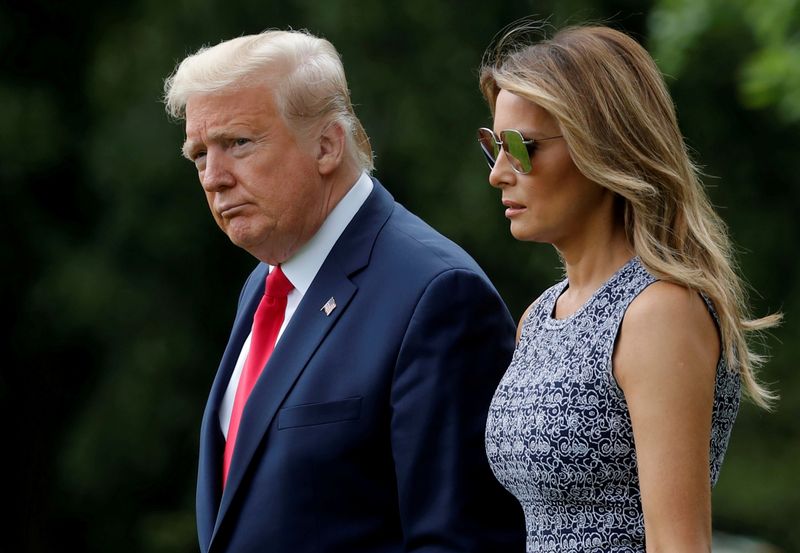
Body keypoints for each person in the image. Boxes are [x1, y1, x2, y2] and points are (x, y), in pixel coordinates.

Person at [163, 29, 525, 553]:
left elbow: (459, 540)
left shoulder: (438, 296)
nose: (213, 177)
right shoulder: (264, 286)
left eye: (238, 143)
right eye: (199, 155)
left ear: (328, 145)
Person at [477, 23, 781, 553]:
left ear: (602, 147)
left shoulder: (659, 313)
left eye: (520, 149)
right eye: (493, 147)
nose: (499, 173)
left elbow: (679, 543)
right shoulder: (539, 318)